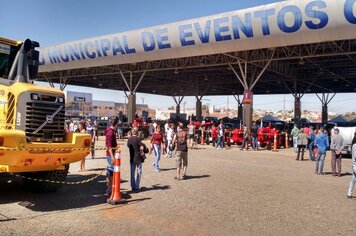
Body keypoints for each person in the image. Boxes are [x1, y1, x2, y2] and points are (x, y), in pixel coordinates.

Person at [127, 127, 144, 192]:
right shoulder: (138, 139)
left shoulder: (129, 139)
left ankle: (133, 186)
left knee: (132, 173)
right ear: (137, 132)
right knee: (139, 173)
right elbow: (141, 147)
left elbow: (128, 146)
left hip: (132, 158)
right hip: (138, 158)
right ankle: (137, 186)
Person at [105, 117, 119, 196]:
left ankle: (110, 189)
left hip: (111, 155)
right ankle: (110, 190)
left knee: (110, 173)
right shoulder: (110, 133)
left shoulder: (111, 131)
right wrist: (113, 157)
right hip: (111, 156)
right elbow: (109, 147)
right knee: (111, 173)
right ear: (116, 124)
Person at [347, 133, 356, 198]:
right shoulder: (355, 145)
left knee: (353, 179)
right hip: (355, 165)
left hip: (354, 165)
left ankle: (349, 193)